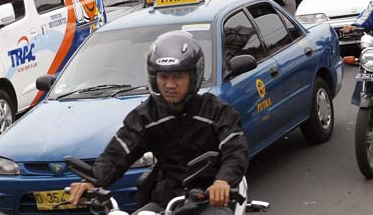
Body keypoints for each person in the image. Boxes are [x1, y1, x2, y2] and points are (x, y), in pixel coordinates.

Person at [69, 31, 249, 215]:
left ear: (193, 76)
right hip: (168, 199)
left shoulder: (217, 111)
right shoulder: (145, 116)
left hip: (211, 197)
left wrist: (223, 181)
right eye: (163, 77)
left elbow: (236, 150)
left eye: (178, 76)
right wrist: (92, 181)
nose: (170, 85)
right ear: (155, 78)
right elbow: (118, 152)